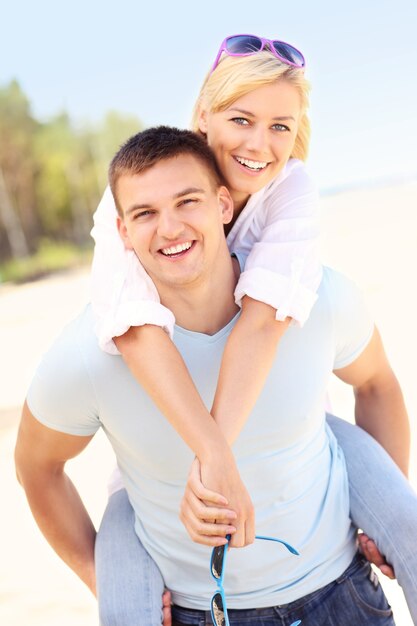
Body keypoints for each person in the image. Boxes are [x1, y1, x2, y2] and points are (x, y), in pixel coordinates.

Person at [15, 127, 413, 625]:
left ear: (224, 204)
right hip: (199, 614)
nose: (170, 228)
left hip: (344, 597)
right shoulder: (88, 354)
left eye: (188, 201)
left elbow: (376, 383)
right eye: (145, 214)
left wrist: (381, 518)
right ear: (121, 233)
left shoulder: (313, 297)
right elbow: (37, 467)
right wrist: (100, 575)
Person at [90, 35, 417, 622]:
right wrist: (212, 458)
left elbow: (264, 322)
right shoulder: (148, 186)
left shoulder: (290, 189)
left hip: (294, 431)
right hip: (165, 455)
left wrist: (217, 462)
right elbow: (136, 330)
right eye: (242, 119)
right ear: (203, 117)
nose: (260, 144)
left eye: (280, 127)